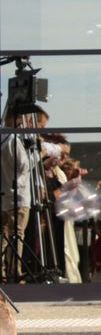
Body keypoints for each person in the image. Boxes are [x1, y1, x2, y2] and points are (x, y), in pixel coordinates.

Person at [0, 108, 31, 282]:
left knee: (3, 235)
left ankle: (3, 271)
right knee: (16, 234)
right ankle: (14, 271)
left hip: (4, 193)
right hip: (17, 196)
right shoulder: (12, 140)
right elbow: (23, 167)